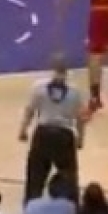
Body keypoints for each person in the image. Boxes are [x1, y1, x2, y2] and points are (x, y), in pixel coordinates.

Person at [19, 54, 86, 204]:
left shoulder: (39, 87)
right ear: (67, 70)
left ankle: (30, 208)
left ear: (51, 67)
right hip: (64, 135)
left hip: (43, 134)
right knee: (69, 178)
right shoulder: (74, 91)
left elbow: (30, 110)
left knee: (35, 178)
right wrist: (80, 139)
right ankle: (72, 208)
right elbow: (80, 119)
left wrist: (23, 129)